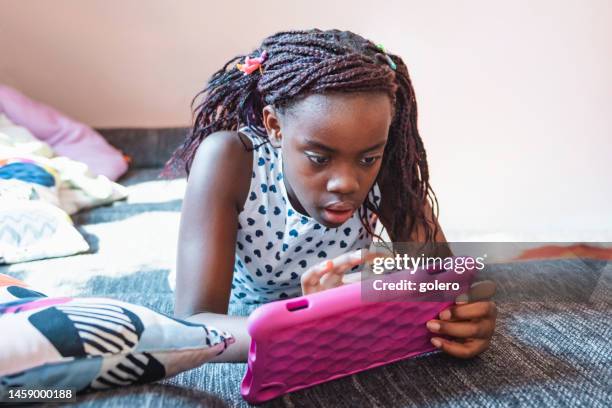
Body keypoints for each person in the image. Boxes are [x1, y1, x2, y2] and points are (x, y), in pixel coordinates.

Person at [165, 29, 496, 362]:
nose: (346, 183)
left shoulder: (387, 166)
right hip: (243, 316)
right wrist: (306, 323)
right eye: (319, 158)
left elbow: (443, 282)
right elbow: (194, 327)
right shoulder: (229, 159)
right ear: (275, 127)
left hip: (336, 305)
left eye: (368, 159)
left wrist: (465, 316)